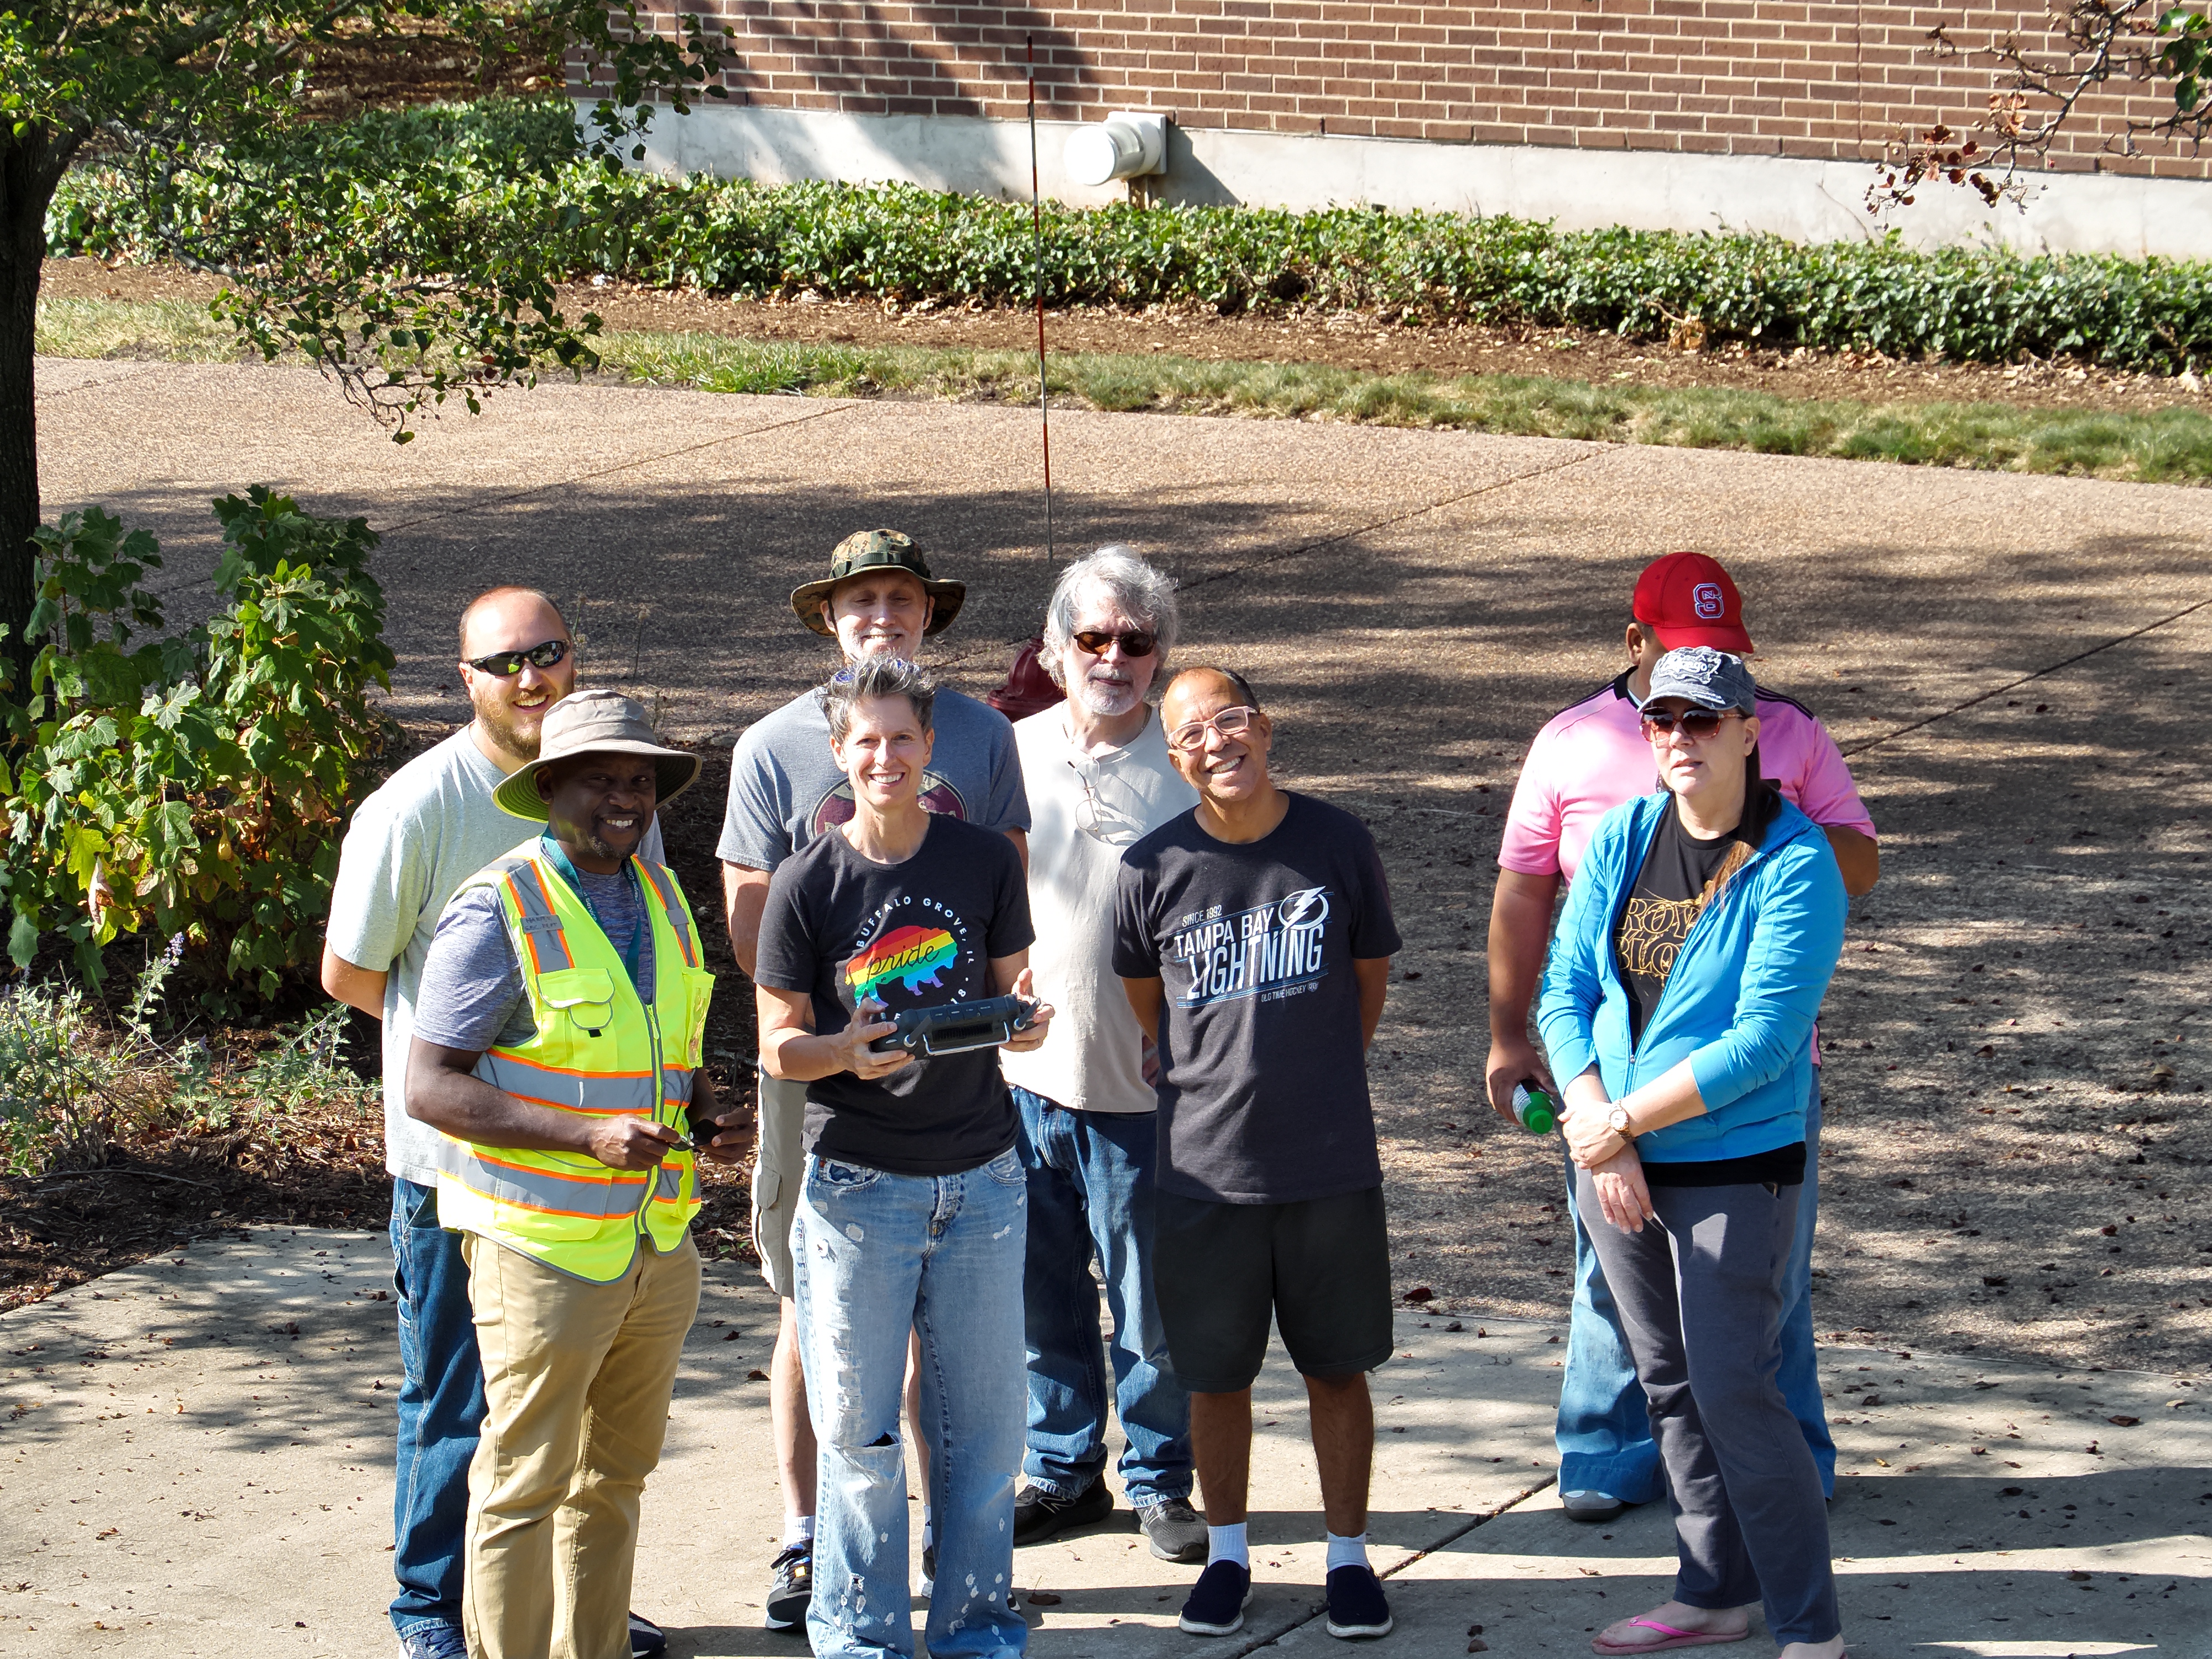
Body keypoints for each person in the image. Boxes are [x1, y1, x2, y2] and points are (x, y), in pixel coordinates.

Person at [1486, 550, 1877, 1522]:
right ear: (1636, 646)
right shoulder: (1571, 742)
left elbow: (1859, 860)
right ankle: (1608, 1453)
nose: (1692, 715)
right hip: (1603, 1073)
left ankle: (1787, 1462)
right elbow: (1528, 890)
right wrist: (1512, 1039)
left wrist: (1752, 826)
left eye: (1725, 662)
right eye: (1679, 675)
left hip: (1749, 1089)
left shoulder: (1784, 730)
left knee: (1766, 1287)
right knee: (1610, 1272)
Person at [322, 587, 674, 1659]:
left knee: (570, 1427)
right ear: (463, 679)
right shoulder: (417, 808)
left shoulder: (616, 801)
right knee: (457, 1401)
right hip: (455, 1166)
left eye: (550, 653)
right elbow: (349, 973)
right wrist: (504, 1051)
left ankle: (564, 1618)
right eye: (506, 661)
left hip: (599, 1199)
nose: (531, 676)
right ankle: (431, 1610)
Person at [717, 529, 1030, 1628]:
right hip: (824, 1085)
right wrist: (838, 1017)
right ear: (829, 620)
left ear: (926, 615)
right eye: (860, 602)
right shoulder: (769, 749)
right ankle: (812, 1545)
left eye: (900, 598)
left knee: (960, 1352)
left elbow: (1002, 909)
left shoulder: (986, 737)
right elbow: (757, 924)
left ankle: (956, 1556)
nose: (880, 616)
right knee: (817, 1307)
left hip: (961, 1094)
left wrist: (994, 1018)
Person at [401, 689, 754, 1659]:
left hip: (656, 1241)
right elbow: (429, 1089)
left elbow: (662, 1061)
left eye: (640, 780)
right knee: (523, 1486)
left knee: (616, 1481)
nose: (626, 797)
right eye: (602, 777)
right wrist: (582, 1135)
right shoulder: (499, 905)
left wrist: (708, 1115)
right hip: (539, 1248)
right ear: (550, 786)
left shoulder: (662, 893)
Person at [1538, 648, 1847, 1659]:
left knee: (1736, 1392)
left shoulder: (1796, 862)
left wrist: (1622, 1123)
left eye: (1702, 721)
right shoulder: (1627, 835)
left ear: (1752, 733)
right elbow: (1564, 994)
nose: (1678, 738)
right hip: (1611, 1157)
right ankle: (1714, 1594)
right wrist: (1596, 1124)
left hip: (1731, 1167)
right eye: (1661, 720)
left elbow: (1763, 1042)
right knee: (1666, 1383)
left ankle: (1809, 1626)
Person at [1113, 666, 1401, 1644]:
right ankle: (1228, 1555)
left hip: (1327, 1162)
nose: (1216, 743)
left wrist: (1312, 1070)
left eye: (1230, 720)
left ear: (1266, 727)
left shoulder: (1337, 842)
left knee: (1337, 1367)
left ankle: (1350, 1559)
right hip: (1201, 1170)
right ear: (1175, 756)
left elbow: (1368, 983)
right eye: (1192, 734)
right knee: (1215, 1377)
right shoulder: (1151, 868)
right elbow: (1148, 1006)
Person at [1000, 548, 1206, 1563]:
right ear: (1054, 649)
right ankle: (1062, 1467)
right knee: (1042, 1294)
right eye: (1093, 638)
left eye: (1136, 640)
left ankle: (1163, 1479)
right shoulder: (1003, 753)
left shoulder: (1192, 765)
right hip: (1020, 1077)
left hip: (1146, 1087)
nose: (1114, 658)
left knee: (1150, 1303)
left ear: (1161, 657)